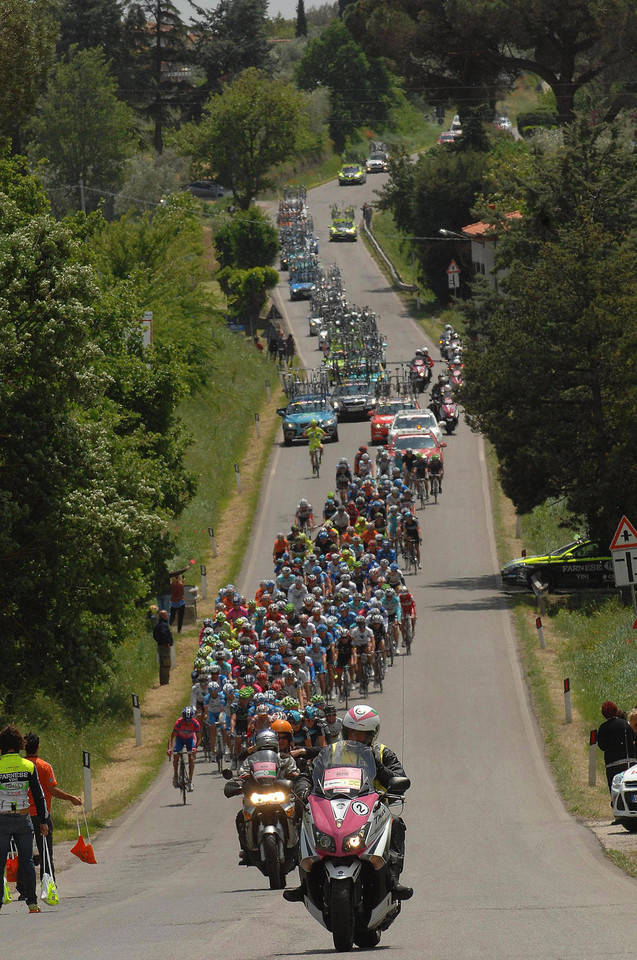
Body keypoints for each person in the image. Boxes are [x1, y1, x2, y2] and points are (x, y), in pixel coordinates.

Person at [284, 705, 412, 903]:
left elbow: (400, 779)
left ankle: (393, 881)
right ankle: (305, 883)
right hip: (333, 803)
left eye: (362, 734)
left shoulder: (382, 753)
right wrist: (302, 787)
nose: (356, 737)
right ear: (344, 731)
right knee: (306, 819)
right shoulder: (331, 751)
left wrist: (379, 769)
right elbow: (309, 774)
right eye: (351, 732)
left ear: (372, 734)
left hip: (373, 807)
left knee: (396, 824)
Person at [21, 733, 83, 889]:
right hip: (42, 816)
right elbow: (52, 790)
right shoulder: (44, 766)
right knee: (45, 853)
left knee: (24, 852)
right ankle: (48, 885)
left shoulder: (20, 766)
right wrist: (71, 798)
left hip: (23, 815)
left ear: (24, 747)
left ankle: (23, 888)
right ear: (38, 747)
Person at [0, 724, 49, 914]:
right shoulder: (28, 766)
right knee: (27, 860)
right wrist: (43, 821)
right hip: (23, 817)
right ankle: (32, 903)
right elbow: (39, 796)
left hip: (2, 818)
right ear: (19, 744)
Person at [597, 701, 637, 791]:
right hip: (630, 762)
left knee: (615, 790)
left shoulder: (603, 728)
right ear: (616, 710)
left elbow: (602, 746)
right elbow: (632, 738)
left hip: (613, 764)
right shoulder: (626, 724)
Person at [168, 707, 200, 791]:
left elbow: (199, 738)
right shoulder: (178, 723)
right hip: (180, 739)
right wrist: (169, 749)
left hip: (190, 740)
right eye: (185, 720)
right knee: (176, 756)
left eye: (189, 720)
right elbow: (171, 737)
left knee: (191, 758)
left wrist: (195, 748)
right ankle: (175, 776)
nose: (187, 722)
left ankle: (190, 781)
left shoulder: (195, 724)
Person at [153, 609, 174, 684]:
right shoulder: (163, 625)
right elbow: (164, 633)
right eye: (166, 615)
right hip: (164, 646)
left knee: (162, 664)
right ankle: (165, 681)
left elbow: (154, 636)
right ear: (164, 616)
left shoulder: (157, 625)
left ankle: (162, 680)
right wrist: (167, 642)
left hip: (160, 646)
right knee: (166, 664)